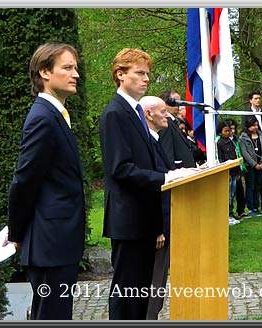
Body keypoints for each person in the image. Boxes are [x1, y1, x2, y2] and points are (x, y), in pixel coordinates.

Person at [99, 48, 196, 320]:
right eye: (139, 73)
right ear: (120, 75)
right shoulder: (115, 114)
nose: (146, 79)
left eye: (148, 74)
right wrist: (166, 177)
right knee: (128, 296)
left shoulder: (136, 113)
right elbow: (120, 169)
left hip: (143, 219)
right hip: (128, 220)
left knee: (141, 298)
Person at [5, 42, 85, 320]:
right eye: (67, 68)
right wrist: (15, 232)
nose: (75, 74)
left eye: (75, 67)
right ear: (44, 73)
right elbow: (24, 180)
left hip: (59, 241)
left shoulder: (57, 115)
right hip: (50, 243)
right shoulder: (43, 117)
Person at [139, 96, 175, 320]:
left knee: (159, 285)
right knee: (152, 284)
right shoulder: (146, 145)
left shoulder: (156, 140)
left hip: (166, 223)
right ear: (148, 115)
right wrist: (157, 228)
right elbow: (149, 189)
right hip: (157, 228)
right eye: (162, 111)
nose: (167, 115)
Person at [242, 91, 262, 211]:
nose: (258, 100)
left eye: (259, 98)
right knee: (252, 182)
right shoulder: (246, 114)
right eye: (255, 98)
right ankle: (252, 205)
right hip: (251, 147)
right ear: (251, 100)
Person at [239, 116, 262, 217]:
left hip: (261, 165)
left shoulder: (260, 135)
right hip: (250, 166)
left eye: (256, 125)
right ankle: (251, 207)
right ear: (248, 126)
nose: (255, 128)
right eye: (253, 126)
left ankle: (256, 206)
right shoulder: (243, 137)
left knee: (258, 186)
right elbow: (244, 153)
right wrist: (254, 164)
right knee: (250, 186)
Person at [159, 90, 196, 168]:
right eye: (174, 102)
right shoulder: (165, 123)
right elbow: (167, 152)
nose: (178, 105)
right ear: (165, 103)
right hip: (180, 172)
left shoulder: (174, 122)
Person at [216, 121, 242, 225]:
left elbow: (236, 156)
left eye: (229, 130)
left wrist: (239, 171)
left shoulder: (232, 142)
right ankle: (226, 215)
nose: (228, 133)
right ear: (220, 133)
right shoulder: (220, 144)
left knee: (232, 194)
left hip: (235, 171)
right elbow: (221, 159)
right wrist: (226, 173)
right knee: (227, 195)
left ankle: (231, 213)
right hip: (228, 173)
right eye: (226, 131)